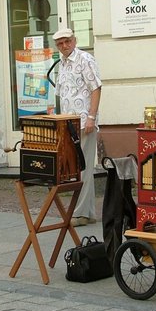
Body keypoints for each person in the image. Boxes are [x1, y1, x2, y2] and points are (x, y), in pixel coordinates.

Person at [52, 28, 102, 227]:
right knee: (76, 168)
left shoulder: (85, 59)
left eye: (67, 41)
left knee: (84, 167)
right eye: (60, 43)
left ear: (74, 40)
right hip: (69, 125)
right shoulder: (62, 64)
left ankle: (81, 212)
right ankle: (86, 213)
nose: (64, 46)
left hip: (84, 123)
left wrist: (91, 117)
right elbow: (61, 94)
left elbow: (96, 88)